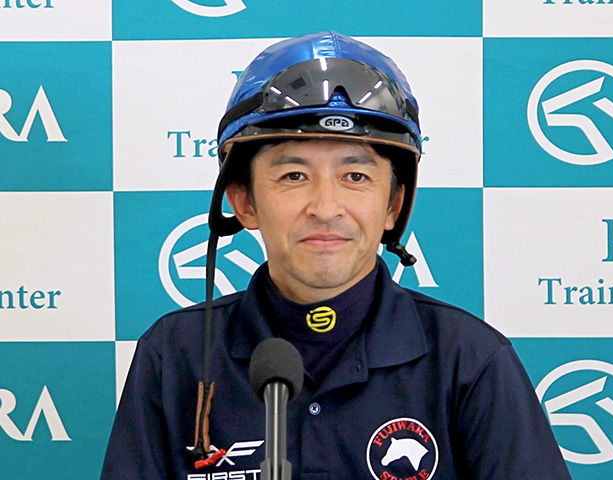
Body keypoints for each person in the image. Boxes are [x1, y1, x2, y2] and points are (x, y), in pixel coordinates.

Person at [101, 32, 572, 480]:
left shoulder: (470, 360)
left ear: (393, 205)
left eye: (355, 177)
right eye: (293, 176)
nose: (326, 208)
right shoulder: (174, 356)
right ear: (244, 202)